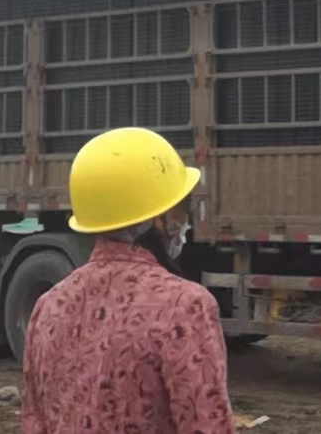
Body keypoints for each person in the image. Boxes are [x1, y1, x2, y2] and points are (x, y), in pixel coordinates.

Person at [20, 127, 233, 434]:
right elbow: (207, 426)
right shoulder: (184, 307)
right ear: (157, 218)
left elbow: (33, 422)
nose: (185, 221)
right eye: (181, 207)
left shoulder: (47, 307)